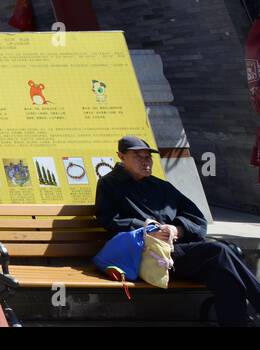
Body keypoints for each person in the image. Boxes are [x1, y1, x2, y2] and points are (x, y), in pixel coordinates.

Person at [95, 135, 260, 326]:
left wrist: (178, 229)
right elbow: (108, 220)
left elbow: (197, 219)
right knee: (220, 250)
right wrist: (147, 230)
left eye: (148, 157)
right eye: (138, 157)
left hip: (179, 251)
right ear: (121, 156)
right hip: (148, 255)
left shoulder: (161, 186)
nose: (145, 162)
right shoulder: (109, 184)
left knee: (223, 271)